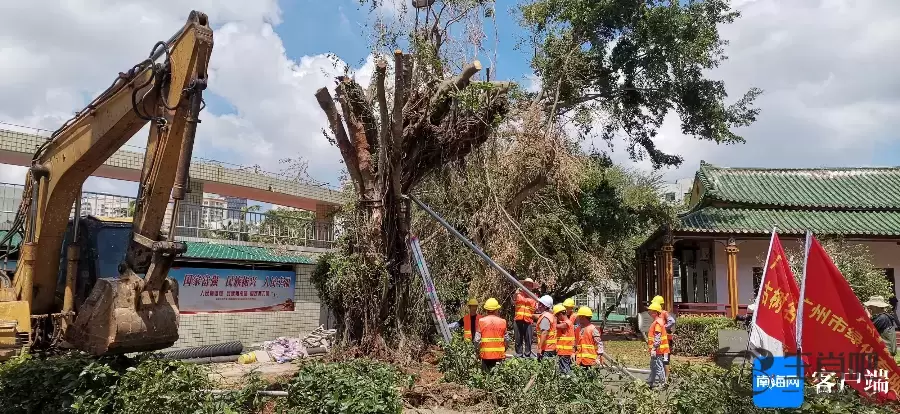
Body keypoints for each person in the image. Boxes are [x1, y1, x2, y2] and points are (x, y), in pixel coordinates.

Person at [475, 298, 508, 372]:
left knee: (486, 379)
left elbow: (477, 340)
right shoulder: (503, 322)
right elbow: (507, 339)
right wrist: (504, 350)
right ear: (496, 310)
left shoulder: (481, 321)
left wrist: (477, 353)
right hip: (499, 356)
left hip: (485, 355)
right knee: (497, 379)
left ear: (486, 310)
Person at [650, 295, 676, 379]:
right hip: (659, 342)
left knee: (665, 360)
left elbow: (672, 321)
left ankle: (666, 378)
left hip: (665, 341)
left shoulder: (664, 313)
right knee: (658, 359)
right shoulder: (656, 314)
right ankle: (661, 377)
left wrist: (664, 327)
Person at [647, 302, 670, 388]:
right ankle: (650, 382)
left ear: (656, 312)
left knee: (658, 366)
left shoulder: (657, 323)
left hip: (658, 350)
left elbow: (657, 338)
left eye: (651, 311)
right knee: (653, 366)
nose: (650, 313)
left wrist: (653, 348)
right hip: (657, 350)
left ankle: (663, 383)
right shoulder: (658, 322)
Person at [513, 278, 538, 357]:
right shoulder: (518, 295)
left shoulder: (534, 297)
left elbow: (536, 308)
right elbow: (513, 302)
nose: (528, 286)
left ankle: (527, 356)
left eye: (530, 285)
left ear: (532, 287)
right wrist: (515, 294)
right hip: (518, 319)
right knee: (518, 339)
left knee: (528, 340)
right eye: (526, 284)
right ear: (523, 285)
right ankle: (519, 355)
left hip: (528, 321)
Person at [554, 303, 575, 374]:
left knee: (565, 370)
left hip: (566, 351)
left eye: (557, 315)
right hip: (562, 351)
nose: (556, 317)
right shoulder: (563, 322)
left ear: (560, 314)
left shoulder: (567, 323)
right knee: (563, 369)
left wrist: (552, 320)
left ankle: (569, 383)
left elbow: (557, 326)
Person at [536, 295, 557, 361]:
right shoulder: (550, 316)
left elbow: (544, 333)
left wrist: (540, 348)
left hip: (546, 349)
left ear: (545, 306)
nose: (538, 305)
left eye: (540, 304)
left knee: (544, 369)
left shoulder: (545, 317)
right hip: (551, 347)